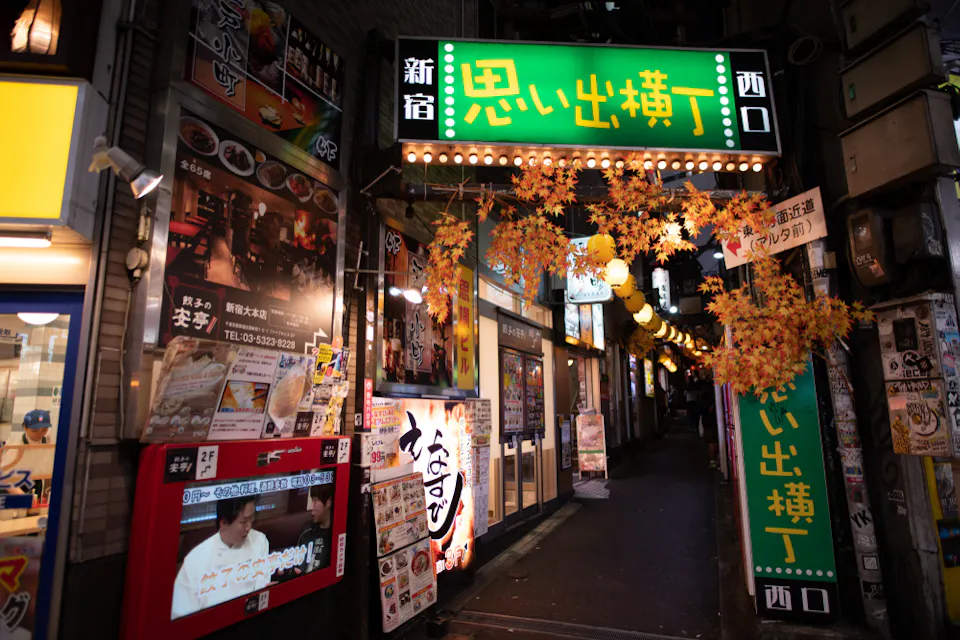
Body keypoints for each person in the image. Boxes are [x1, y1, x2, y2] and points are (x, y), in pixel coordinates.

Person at [171, 496, 270, 619]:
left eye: (251, 519)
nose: (248, 527)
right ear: (223, 524)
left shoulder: (259, 541)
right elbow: (180, 614)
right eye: (243, 521)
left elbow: (261, 591)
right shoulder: (196, 559)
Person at [297, 484, 334, 573]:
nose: (311, 507)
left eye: (315, 500)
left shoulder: (335, 534)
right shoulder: (306, 531)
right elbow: (297, 565)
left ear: (329, 502)